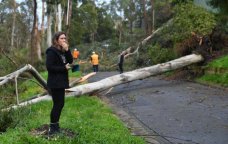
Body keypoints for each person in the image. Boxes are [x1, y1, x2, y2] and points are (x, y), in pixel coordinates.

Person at [46, 31, 73, 136]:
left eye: (65, 38)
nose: (64, 40)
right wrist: (63, 68)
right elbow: (49, 67)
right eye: (61, 38)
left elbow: (70, 61)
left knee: (60, 104)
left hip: (61, 81)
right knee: (58, 104)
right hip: (55, 82)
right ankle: (53, 128)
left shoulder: (63, 51)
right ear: (56, 40)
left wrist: (67, 50)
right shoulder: (51, 51)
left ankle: (55, 126)